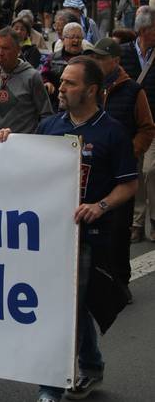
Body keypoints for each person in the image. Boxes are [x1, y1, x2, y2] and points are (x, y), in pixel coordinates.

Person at [0, 56, 138, 402]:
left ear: (91, 90)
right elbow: (27, 165)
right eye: (62, 81)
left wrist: (100, 206)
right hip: (49, 236)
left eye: (70, 83)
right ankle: (91, 364)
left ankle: (51, 386)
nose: (61, 88)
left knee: (67, 307)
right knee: (70, 305)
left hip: (86, 238)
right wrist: (5, 141)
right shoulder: (50, 126)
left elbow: (128, 184)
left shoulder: (112, 132)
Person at [86, 37, 155, 303]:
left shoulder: (133, 91)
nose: (95, 61)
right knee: (93, 230)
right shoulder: (89, 87)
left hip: (120, 173)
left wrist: (128, 153)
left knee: (118, 230)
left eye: (100, 58)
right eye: (93, 57)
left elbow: (147, 128)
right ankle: (94, 282)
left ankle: (120, 283)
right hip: (92, 171)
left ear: (115, 61)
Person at [120, 7, 155, 242]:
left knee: (150, 170)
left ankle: (153, 218)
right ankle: (137, 221)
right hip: (131, 124)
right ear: (144, 30)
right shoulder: (124, 53)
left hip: (153, 124)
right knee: (136, 171)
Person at [0, 27, 53, 134]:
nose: (0, 53)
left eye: (5, 48)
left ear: (18, 50)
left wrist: (34, 139)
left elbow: (46, 115)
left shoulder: (32, 77)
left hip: (24, 142)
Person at [42, 22, 88, 111]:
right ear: (63, 39)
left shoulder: (87, 60)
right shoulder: (53, 58)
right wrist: (46, 83)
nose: (76, 41)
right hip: (55, 104)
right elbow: (43, 75)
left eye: (79, 37)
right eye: (72, 37)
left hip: (79, 105)